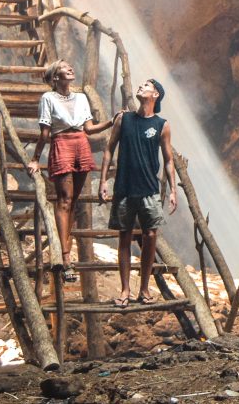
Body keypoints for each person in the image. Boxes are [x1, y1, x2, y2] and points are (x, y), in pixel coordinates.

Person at [26, 60, 112, 282]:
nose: (71, 68)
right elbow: (45, 132)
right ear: (55, 77)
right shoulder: (48, 98)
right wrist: (35, 159)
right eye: (65, 68)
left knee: (73, 202)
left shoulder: (81, 97)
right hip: (62, 143)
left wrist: (112, 121)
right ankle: (65, 258)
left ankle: (67, 248)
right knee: (64, 200)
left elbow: (89, 128)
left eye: (70, 66)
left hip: (81, 144)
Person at [100, 77, 180, 307]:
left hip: (149, 189)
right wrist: (104, 180)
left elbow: (168, 160)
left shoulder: (161, 125)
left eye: (146, 86)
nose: (140, 87)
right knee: (124, 236)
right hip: (124, 188)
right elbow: (108, 149)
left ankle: (144, 289)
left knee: (150, 236)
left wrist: (173, 190)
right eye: (141, 85)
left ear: (156, 95)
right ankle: (125, 290)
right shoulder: (123, 119)